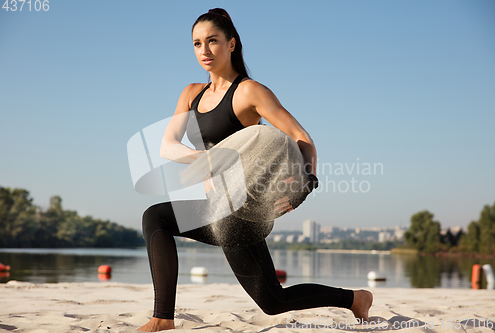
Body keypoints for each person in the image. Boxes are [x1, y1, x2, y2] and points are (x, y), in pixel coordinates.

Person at [138, 8, 373, 332]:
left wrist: (305, 184)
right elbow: (167, 147)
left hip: (244, 211)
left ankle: (354, 298)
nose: (204, 51)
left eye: (213, 41)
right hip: (212, 206)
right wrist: (209, 161)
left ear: (231, 44)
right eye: (196, 44)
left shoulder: (249, 92)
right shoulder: (191, 94)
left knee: (270, 300)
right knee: (271, 300)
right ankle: (354, 299)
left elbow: (302, 138)